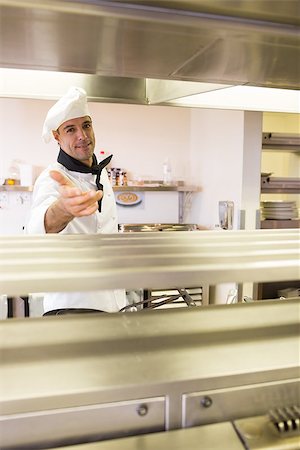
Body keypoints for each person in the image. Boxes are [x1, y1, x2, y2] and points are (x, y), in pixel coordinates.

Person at [25, 86, 127, 315]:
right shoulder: (52, 179)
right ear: (56, 136)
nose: (82, 135)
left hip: (112, 304)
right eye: (70, 129)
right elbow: (40, 225)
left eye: (86, 125)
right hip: (71, 306)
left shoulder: (99, 173)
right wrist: (63, 209)